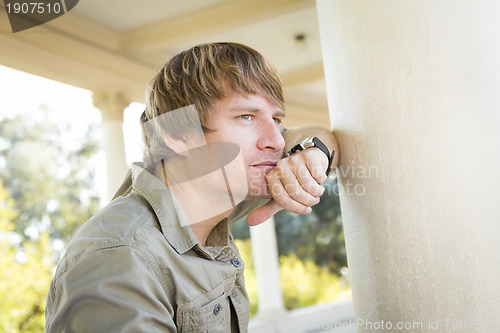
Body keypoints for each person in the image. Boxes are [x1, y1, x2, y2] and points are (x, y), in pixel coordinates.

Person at [45, 42, 339, 332]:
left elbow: (324, 137)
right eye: (246, 117)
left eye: (276, 119)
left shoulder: (210, 188)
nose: (275, 140)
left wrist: (315, 152)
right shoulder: (121, 260)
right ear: (179, 133)